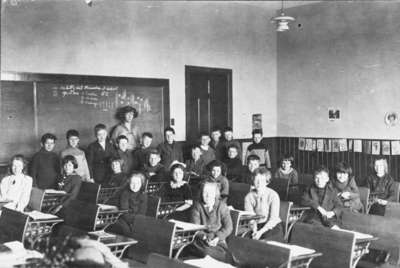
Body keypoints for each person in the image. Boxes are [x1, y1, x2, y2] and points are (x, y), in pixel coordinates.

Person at [188, 181, 235, 264]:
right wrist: (205, 237)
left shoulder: (222, 206)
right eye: (205, 192)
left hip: (218, 240)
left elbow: (229, 227)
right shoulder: (197, 206)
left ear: (215, 194)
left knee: (226, 256)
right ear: (201, 193)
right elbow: (195, 227)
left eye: (210, 193)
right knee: (205, 253)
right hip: (201, 240)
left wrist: (217, 237)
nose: (207, 195)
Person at [244, 167, 283, 241]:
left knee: (264, 243)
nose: (259, 183)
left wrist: (260, 232)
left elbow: (273, 219)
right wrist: (255, 230)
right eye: (256, 180)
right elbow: (250, 217)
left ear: (267, 182)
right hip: (256, 225)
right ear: (253, 181)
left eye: (262, 180)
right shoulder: (248, 196)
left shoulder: (273, 195)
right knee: (245, 240)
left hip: (272, 226)